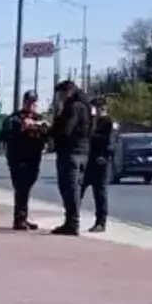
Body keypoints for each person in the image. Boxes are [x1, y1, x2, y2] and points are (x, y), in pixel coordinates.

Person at [49, 79, 94, 235]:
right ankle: (71, 221)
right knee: (75, 187)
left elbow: (66, 130)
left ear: (67, 92)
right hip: (83, 151)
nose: (59, 98)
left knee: (69, 188)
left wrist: (51, 131)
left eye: (60, 94)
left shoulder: (73, 107)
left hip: (70, 152)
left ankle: (72, 223)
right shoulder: (86, 107)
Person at [0, 92, 47, 230]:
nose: (32, 105)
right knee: (21, 188)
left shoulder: (39, 118)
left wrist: (43, 130)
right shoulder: (14, 119)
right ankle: (19, 219)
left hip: (34, 158)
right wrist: (22, 128)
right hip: (18, 158)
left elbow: (46, 136)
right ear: (24, 102)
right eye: (29, 102)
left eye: (34, 102)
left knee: (27, 187)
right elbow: (3, 136)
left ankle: (23, 217)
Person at [82, 96, 115, 233]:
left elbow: (109, 142)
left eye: (95, 108)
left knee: (100, 193)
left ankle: (101, 222)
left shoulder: (108, 122)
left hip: (100, 161)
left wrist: (105, 156)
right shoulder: (92, 122)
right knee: (78, 189)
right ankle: (72, 217)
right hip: (88, 160)